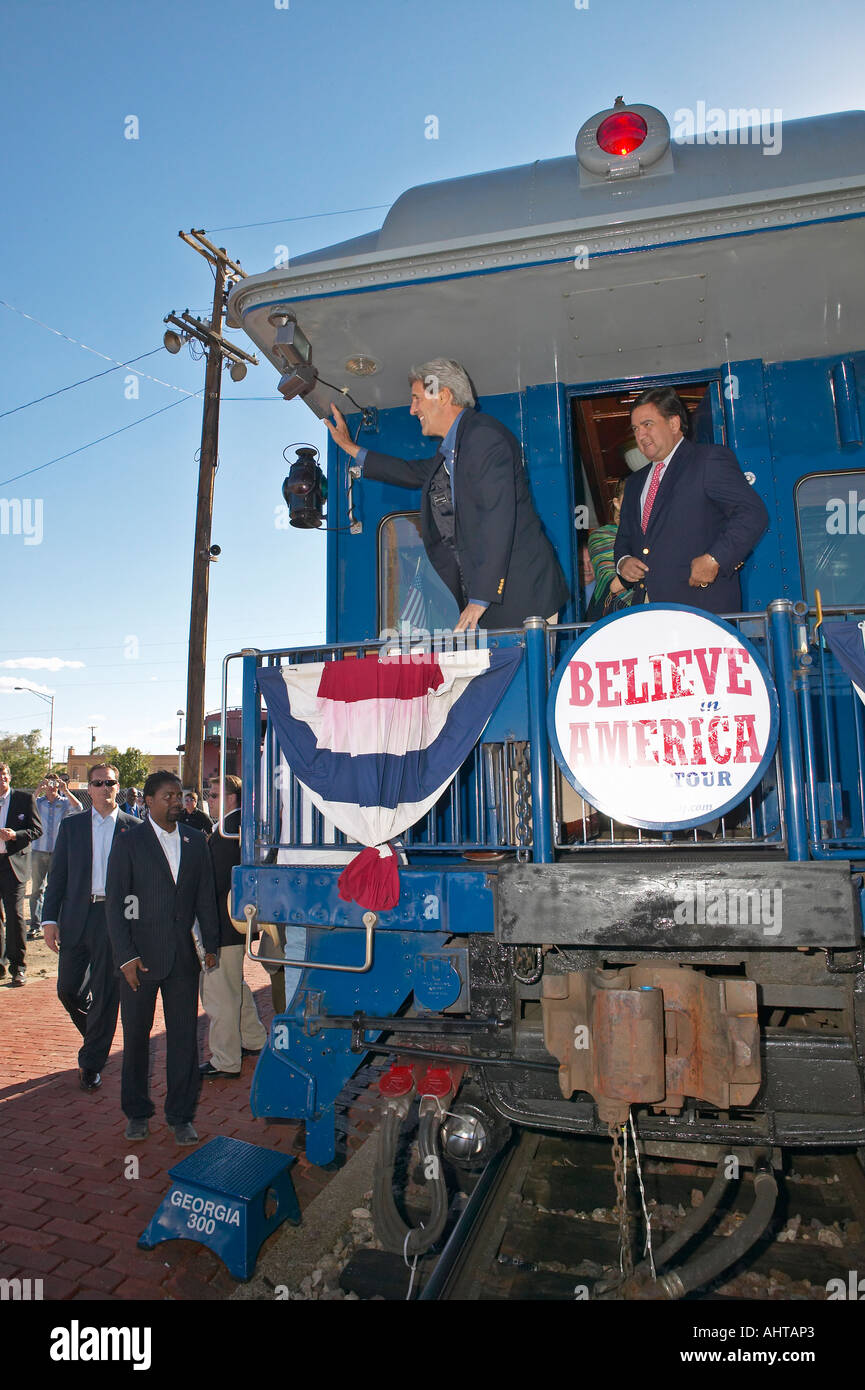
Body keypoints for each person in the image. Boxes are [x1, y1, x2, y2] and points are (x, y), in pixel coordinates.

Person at [325, 358, 569, 631]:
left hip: (522, 597)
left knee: (523, 674)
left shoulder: (483, 437)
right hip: (495, 600)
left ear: (442, 396)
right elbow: (410, 472)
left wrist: (481, 597)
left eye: (417, 399)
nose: (412, 409)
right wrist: (349, 447)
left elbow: (497, 516)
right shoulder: (454, 449)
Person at [106, 770, 219, 1144]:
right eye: (168, 796)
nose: (176, 801)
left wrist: (212, 946)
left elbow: (204, 896)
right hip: (139, 961)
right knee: (136, 1039)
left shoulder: (195, 840)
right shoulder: (129, 842)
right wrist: (125, 957)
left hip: (184, 960)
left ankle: (181, 1115)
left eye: (179, 795)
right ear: (149, 801)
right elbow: (117, 903)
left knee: (185, 1040)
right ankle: (137, 1113)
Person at [614, 387, 768, 612]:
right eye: (636, 428)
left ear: (674, 424)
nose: (640, 435)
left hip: (702, 611)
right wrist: (623, 562)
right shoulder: (635, 482)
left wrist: (715, 558)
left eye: (648, 424)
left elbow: (752, 514)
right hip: (649, 612)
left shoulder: (708, 460)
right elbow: (625, 537)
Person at [42, 764, 139, 1091]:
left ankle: (92, 1061)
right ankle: (96, 1036)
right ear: (89, 788)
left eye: (110, 782)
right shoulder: (72, 826)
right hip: (76, 917)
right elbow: (57, 877)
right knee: (67, 988)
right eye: (98, 783)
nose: (104, 788)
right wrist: (49, 919)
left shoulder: (135, 828)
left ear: (118, 786)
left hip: (115, 919)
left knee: (106, 993)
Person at [199, 775, 266, 1079]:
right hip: (234, 924)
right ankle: (253, 1040)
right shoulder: (240, 826)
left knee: (219, 995)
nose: (207, 801)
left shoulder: (229, 830)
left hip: (221, 925)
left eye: (212, 795)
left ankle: (224, 1059)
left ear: (230, 797)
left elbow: (212, 882)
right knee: (232, 987)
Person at [0, 762, 42, 985]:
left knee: (15, 916)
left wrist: (15, 835)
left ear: (10, 777)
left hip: (14, 865)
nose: (1, 779)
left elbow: (37, 829)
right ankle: (1, 964)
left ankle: (19, 966)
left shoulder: (24, 799)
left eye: (4, 775)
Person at [29, 776, 83, 938]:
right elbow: (26, 806)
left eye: (54, 783)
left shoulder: (64, 802)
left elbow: (79, 808)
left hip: (59, 852)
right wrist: (39, 789)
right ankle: (35, 923)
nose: (51, 786)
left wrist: (65, 790)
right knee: (36, 889)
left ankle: (57, 923)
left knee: (56, 888)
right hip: (39, 850)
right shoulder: (39, 803)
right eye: (49, 783)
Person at [586, 477, 633, 622]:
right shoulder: (602, 536)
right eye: (631, 497)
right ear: (617, 503)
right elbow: (614, 584)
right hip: (613, 623)